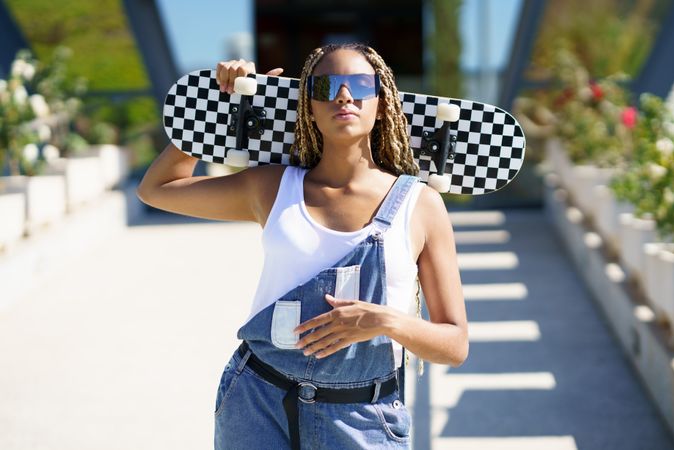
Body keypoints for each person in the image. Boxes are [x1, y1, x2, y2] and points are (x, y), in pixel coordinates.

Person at [137, 42, 468, 450]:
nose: (344, 95)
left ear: (382, 103)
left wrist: (385, 321)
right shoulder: (273, 187)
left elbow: (454, 345)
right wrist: (219, 105)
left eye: (360, 84)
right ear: (308, 105)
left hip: (361, 418)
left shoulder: (421, 205)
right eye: (326, 86)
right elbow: (157, 189)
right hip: (257, 401)